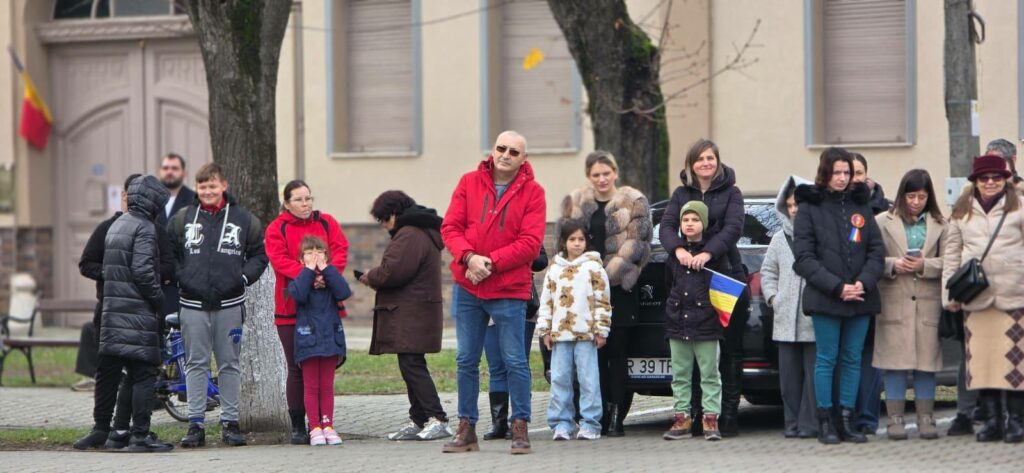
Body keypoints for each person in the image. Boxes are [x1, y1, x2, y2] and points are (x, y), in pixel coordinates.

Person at [440, 130, 545, 455]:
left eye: (514, 151)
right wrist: (469, 258)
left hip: (509, 289)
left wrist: (490, 263)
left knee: (515, 360)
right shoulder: (468, 182)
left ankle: (520, 426)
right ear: (493, 150)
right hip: (469, 286)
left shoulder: (534, 192)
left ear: (523, 159)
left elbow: (530, 244)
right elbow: (450, 227)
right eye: (502, 148)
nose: (506, 155)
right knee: (466, 360)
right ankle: (466, 427)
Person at [168, 163, 268, 448]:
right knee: (195, 364)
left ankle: (230, 423)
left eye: (212, 185)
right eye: (202, 186)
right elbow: (169, 253)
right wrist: (183, 276)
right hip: (192, 304)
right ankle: (195, 425)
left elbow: (260, 255)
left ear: (224, 185)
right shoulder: (182, 218)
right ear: (196, 188)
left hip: (229, 304)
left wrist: (243, 278)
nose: (207, 191)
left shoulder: (243, 218)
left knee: (229, 364)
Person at [73, 174, 176, 450]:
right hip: (136, 314)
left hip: (113, 311)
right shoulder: (144, 228)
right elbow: (142, 272)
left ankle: (115, 432)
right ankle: (139, 435)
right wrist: (157, 299)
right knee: (142, 373)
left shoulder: (118, 226)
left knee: (121, 372)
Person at [555, 150, 652, 436]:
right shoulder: (576, 203)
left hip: (619, 289)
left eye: (606, 173)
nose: (601, 179)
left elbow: (637, 247)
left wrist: (603, 277)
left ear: (615, 173)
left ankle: (616, 415)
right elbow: (565, 244)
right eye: (596, 174)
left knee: (617, 353)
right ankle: (595, 415)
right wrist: (583, 279)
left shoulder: (634, 203)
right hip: (583, 293)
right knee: (593, 355)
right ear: (589, 176)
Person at [792, 147, 885, 445]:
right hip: (826, 298)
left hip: (860, 297)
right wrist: (837, 287)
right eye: (837, 173)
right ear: (825, 173)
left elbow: (876, 251)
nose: (843, 178)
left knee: (852, 358)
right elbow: (804, 258)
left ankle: (846, 419)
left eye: (847, 172)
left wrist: (862, 283)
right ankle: (825, 421)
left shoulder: (862, 205)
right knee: (826, 358)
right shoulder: (809, 207)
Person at [659, 139, 746, 437]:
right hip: (686, 276)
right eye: (699, 159)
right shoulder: (681, 194)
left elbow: (733, 228)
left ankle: (725, 416)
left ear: (718, 161)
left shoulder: (732, 193)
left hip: (722, 275)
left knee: (725, 352)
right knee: (686, 359)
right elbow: (666, 227)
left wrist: (707, 253)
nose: (705, 163)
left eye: (710, 158)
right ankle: (689, 416)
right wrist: (678, 250)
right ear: (691, 164)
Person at [943, 154, 1024, 444]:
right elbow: (952, 253)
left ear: (1006, 179)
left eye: (996, 178)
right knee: (983, 365)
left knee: (1015, 365)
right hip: (975, 297)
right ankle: (992, 422)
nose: (990, 182)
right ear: (975, 181)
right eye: (984, 178)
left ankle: (1017, 422)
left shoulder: (1019, 206)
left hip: (1014, 296)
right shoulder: (962, 210)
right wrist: (949, 295)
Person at [360, 190, 451, 442]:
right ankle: (419, 418)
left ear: (393, 213)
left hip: (412, 312)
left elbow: (393, 272)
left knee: (412, 365)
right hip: (417, 310)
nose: (383, 225)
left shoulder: (409, 234)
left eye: (383, 219)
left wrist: (370, 276)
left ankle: (437, 418)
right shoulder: (421, 231)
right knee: (410, 362)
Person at [265, 179, 349, 444]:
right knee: (297, 367)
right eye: (299, 200)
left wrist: (327, 274)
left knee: (324, 369)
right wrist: (308, 275)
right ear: (287, 203)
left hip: (324, 307)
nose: (306, 204)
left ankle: (324, 422)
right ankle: (299, 424)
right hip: (291, 307)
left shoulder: (327, 223)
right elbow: (279, 259)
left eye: (308, 198)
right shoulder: (277, 228)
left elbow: (340, 250)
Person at [873, 169, 947, 441]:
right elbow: (871, 259)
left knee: (926, 362)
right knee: (895, 363)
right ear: (902, 195)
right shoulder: (882, 221)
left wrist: (925, 265)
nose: (916, 202)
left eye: (922, 197)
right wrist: (894, 264)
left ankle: (926, 417)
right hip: (894, 300)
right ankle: (895, 419)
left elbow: (950, 261)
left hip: (927, 301)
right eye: (911, 196)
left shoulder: (941, 224)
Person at [536, 220, 611, 441]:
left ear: (586, 242)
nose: (577, 244)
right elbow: (547, 301)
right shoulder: (554, 270)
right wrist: (545, 330)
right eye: (572, 239)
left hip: (586, 334)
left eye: (581, 239)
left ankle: (590, 423)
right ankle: (561, 423)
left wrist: (602, 329)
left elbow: (603, 301)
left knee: (588, 379)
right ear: (563, 242)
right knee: (559, 378)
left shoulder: (594, 268)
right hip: (560, 334)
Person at [661, 201, 725, 441]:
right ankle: (682, 418)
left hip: (707, 323)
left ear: (704, 223)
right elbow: (669, 284)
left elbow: (721, 289)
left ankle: (710, 418)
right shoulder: (674, 256)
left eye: (695, 220)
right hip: (678, 322)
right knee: (680, 374)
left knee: (709, 373)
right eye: (685, 220)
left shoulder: (714, 256)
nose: (689, 224)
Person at [760, 175, 817, 439]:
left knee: (813, 377)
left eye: (798, 204)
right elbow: (768, 272)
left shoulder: (820, 236)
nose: (794, 209)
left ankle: (810, 424)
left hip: (813, 317)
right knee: (789, 379)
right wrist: (774, 298)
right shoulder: (778, 239)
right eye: (790, 205)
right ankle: (792, 423)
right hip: (785, 318)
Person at [289, 235, 351, 446]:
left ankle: (328, 425)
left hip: (330, 339)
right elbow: (298, 294)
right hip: (308, 340)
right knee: (311, 385)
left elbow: (344, 291)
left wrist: (326, 269)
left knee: (326, 386)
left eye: (319, 252)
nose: (315, 256)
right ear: (301, 259)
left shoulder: (331, 280)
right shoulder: (300, 280)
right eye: (309, 253)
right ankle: (314, 426)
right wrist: (308, 271)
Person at [481, 246, 547, 441]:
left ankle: (519, 420)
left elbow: (541, 260)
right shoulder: (482, 233)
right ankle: (498, 422)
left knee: (517, 363)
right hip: (489, 301)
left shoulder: (522, 232)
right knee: (496, 366)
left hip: (519, 303)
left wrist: (514, 257)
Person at [848, 152, 887, 435]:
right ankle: (845, 415)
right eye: (846, 172)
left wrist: (864, 281)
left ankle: (867, 418)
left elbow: (879, 253)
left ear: (867, 176)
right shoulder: (829, 207)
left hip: (872, 293)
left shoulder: (883, 210)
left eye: (858, 173)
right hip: (839, 293)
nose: (852, 178)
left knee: (869, 359)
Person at [155, 153, 197, 318]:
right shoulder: (150, 199)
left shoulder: (194, 200)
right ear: (160, 171)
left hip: (182, 279)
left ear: (184, 173)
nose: (169, 172)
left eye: (174, 168)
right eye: (165, 168)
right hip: (155, 277)